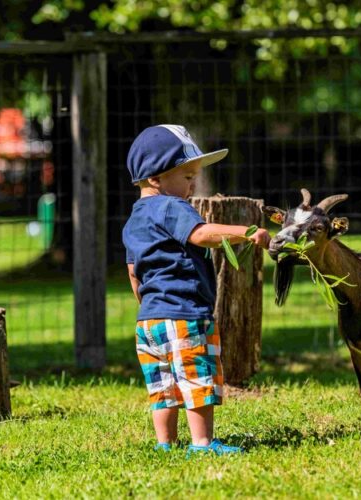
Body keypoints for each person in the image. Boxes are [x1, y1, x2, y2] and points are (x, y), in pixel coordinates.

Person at [122, 125, 269, 456]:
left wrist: (149, 305)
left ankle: (165, 444)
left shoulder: (134, 219)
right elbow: (201, 235)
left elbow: (133, 273)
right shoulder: (171, 207)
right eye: (187, 177)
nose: (193, 185)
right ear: (156, 178)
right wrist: (246, 232)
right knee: (196, 380)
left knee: (163, 387)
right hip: (185, 314)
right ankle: (202, 443)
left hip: (149, 321)